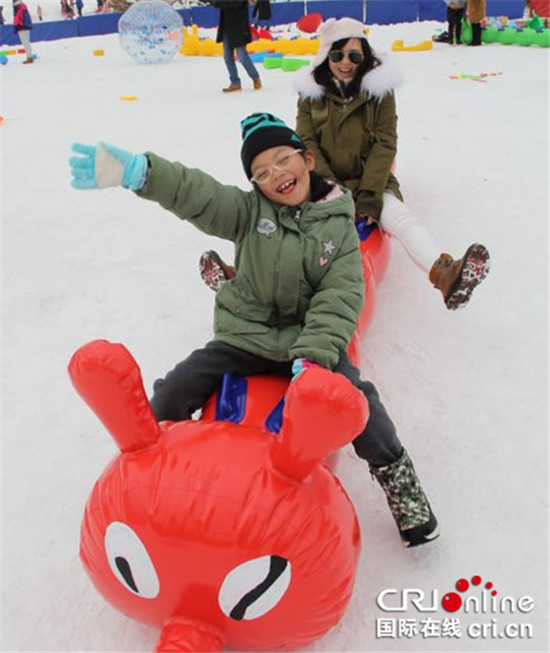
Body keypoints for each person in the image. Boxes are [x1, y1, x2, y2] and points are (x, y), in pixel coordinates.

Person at [69, 112, 439, 548]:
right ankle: (141, 475)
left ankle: (404, 491)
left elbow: (337, 296)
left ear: (307, 160)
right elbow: (197, 194)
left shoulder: (337, 225)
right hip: (246, 335)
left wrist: (315, 356)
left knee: (361, 404)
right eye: (262, 172)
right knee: (176, 387)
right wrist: (141, 173)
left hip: (310, 341)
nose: (276, 175)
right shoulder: (247, 212)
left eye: (283, 160)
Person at [200, 18, 490, 310]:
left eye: (355, 55)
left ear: (365, 57)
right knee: (283, 224)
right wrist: (331, 190)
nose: (346, 63)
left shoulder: (379, 92)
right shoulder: (311, 95)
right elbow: (307, 143)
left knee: (399, 218)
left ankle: (445, 275)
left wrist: (367, 196)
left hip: (369, 181)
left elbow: (385, 142)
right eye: (338, 55)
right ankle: (245, 281)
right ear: (327, 54)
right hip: (322, 181)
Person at [207, 0, 261, 93]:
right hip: (227, 27)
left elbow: (233, 3)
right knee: (227, 57)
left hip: (239, 28)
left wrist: (215, 3)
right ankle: (235, 82)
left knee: (242, 56)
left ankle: (255, 77)